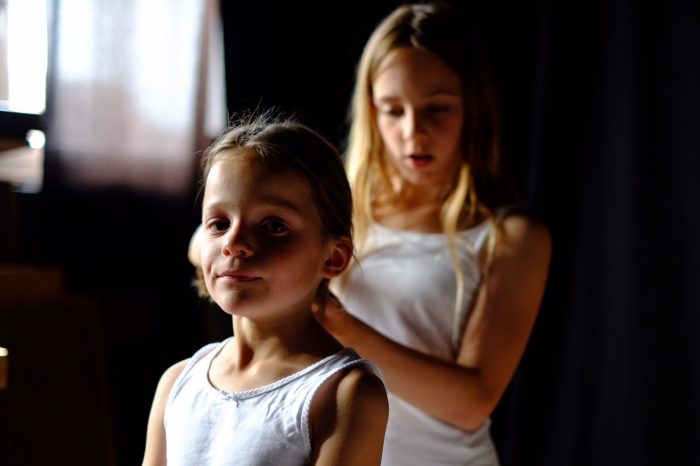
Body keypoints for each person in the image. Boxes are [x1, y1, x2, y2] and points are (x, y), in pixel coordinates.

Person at [311, 2, 552, 465]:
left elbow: (471, 402)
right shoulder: (335, 202)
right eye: (392, 110)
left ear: (474, 110)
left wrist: (340, 324)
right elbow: (205, 243)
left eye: (436, 109)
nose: (412, 132)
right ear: (371, 111)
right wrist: (220, 247)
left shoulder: (510, 237)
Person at [142, 113, 388, 466]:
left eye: (273, 226)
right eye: (219, 223)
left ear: (333, 257)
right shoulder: (177, 383)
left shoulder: (343, 393)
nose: (235, 243)